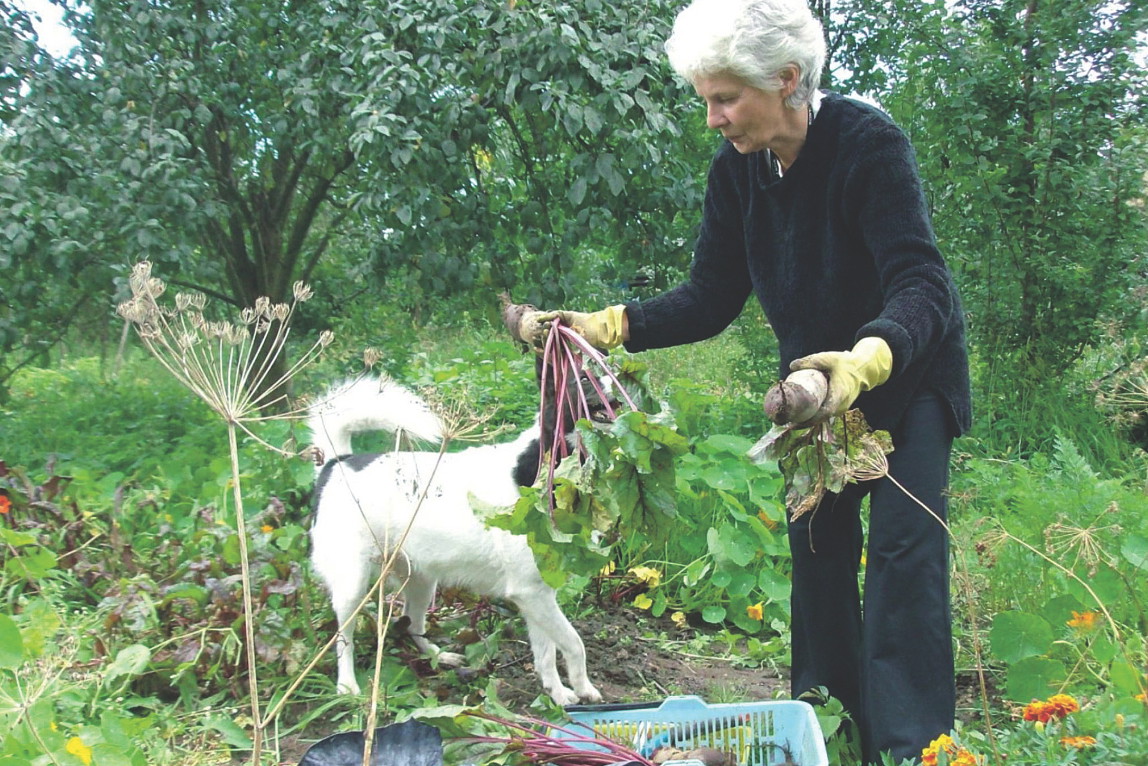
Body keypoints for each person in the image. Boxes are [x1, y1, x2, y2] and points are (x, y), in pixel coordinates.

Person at [523, 0, 972, 762]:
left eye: (725, 98)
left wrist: (863, 361)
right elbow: (710, 296)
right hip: (810, 394)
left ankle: (911, 749)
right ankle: (829, 726)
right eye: (706, 98)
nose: (712, 118)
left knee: (903, 557)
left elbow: (921, 282)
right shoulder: (737, 174)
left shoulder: (868, 145)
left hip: (905, 375)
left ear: (786, 80)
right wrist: (607, 325)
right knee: (818, 549)